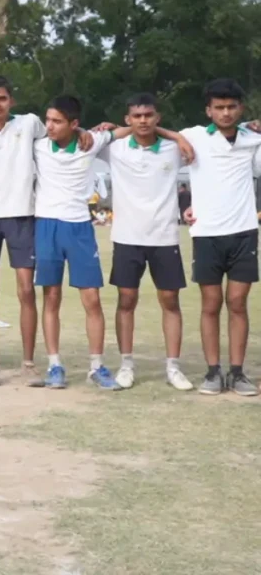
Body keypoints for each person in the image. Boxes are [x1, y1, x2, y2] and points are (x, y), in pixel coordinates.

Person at [0, 75, 63, 387]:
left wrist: (86, 133)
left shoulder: (29, 123)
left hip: (22, 216)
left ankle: (29, 363)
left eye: (2, 98)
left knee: (26, 290)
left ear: (11, 101)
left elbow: (58, 133)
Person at [96, 94, 195, 391]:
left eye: (149, 115)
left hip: (164, 236)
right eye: (136, 116)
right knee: (126, 299)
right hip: (127, 237)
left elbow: (197, 149)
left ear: (157, 117)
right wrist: (111, 129)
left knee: (170, 300)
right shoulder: (114, 148)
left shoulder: (173, 149)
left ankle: (173, 367)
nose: (143, 121)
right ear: (127, 119)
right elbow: (86, 138)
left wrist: (175, 136)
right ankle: (126, 365)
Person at [180, 79, 261, 395]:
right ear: (208, 110)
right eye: (219, 107)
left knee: (238, 302)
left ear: (241, 109)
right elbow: (156, 133)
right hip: (207, 234)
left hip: (243, 232)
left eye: (231, 107)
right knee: (211, 303)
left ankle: (237, 372)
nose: (225, 113)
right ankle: (213, 371)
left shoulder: (252, 139)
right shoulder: (194, 136)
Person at [32, 95, 116, 390]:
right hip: (46, 225)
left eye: (57, 121)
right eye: (48, 119)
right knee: (51, 296)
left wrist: (100, 128)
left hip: (79, 227)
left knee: (91, 299)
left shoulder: (91, 141)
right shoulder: (38, 146)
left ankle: (97, 366)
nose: (49, 126)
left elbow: (127, 129)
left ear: (74, 123)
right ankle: (54, 365)